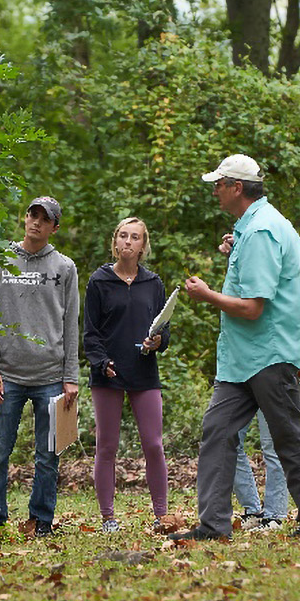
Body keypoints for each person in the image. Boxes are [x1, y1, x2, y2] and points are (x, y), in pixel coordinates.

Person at [174, 154, 300, 541]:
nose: (214, 191)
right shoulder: (252, 228)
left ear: (237, 188)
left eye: (219, 184)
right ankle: (212, 526)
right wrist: (236, 249)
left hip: (269, 355)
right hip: (242, 359)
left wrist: (207, 294)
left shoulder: (261, 231)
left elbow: (253, 307)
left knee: (289, 437)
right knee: (217, 431)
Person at [0, 196, 80, 536]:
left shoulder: (65, 268)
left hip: (52, 377)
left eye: (43, 218)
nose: (35, 221)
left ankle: (42, 521)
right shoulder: (0, 262)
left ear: (54, 227)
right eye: (31, 214)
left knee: (48, 456)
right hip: (6, 376)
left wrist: (71, 377)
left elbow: (71, 325)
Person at [83, 216, 173, 534]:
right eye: (123, 236)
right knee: (107, 446)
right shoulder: (99, 281)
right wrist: (100, 361)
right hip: (109, 373)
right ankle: (108, 517)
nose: (128, 242)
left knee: (153, 444)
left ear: (143, 246)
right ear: (115, 241)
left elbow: (165, 329)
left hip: (144, 371)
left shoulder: (154, 283)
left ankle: (161, 515)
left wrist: (158, 341)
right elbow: (90, 333)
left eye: (135, 237)